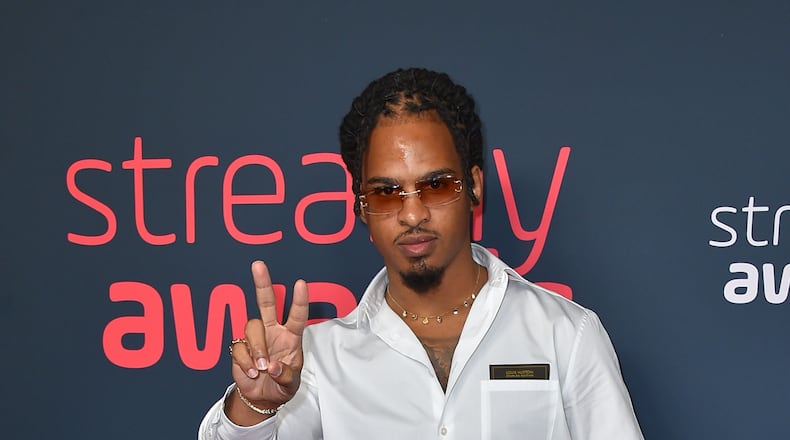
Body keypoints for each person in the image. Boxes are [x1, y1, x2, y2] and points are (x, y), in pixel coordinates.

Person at [198, 67, 644, 439]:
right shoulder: (315, 358)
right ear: (362, 208)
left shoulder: (566, 334)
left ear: (474, 185)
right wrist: (254, 408)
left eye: (436, 185)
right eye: (388, 192)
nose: (413, 214)